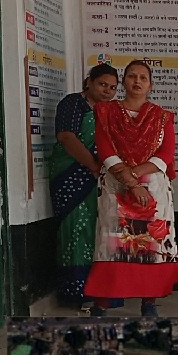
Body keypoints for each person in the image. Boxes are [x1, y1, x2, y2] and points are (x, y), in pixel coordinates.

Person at [85, 60, 178, 318]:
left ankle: (149, 303)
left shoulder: (162, 117)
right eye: (131, 76)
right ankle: (101, 305)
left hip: (153, 190)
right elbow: (105, 149)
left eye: (143, 78)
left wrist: (136, 176)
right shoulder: (106, 112)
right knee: (112, 244)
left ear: (150, 85)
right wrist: (131, 183)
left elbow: (166, 154)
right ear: (124, 81)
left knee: (151, 246)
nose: (137, 81)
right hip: (116, 187)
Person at [48, 63, 118, 310]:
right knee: (76, 230)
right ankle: (78, 292)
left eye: (112, 87)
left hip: (103, 179)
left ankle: (103, 291)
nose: (107, 91)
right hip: (72, 176)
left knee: (101, 232)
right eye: (102, 84)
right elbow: (66, 137)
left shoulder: (111, 111)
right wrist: (93, 166)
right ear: (89, 82)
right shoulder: (73, 104)